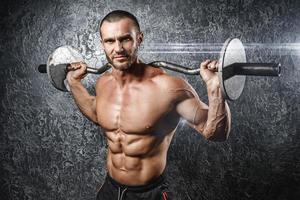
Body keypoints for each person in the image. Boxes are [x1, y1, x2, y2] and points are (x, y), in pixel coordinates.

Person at [66, 10, 231, 200]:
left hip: (148, 194)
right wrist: (74, 84)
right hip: (110, 190)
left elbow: (216, 133)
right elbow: (97, 114)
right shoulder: (103, 83)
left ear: (139, 38)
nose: (118, 48)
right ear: (102, 44)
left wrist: (215, 89)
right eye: (110, 41)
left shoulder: (168, 88)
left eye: (125, 39)